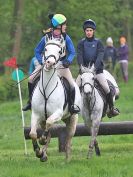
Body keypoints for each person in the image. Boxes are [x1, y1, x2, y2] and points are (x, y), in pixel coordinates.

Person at [23, 13, 80, 114]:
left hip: (62, 65)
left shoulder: (66, 37)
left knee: (71, 84)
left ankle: (72, 106)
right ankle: (30, 102)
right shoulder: (46, 37)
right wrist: (41, 62)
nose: (66, 26)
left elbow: (72, 52)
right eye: (64, 25)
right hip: (47, 64)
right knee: (31, 79)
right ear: (58, 26)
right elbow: (37, 50)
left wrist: (68, 61)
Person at [77, 19, 119, 118]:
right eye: (87, 30)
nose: (89, 32)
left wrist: (94, 68)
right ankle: (73, 108)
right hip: (84, 72)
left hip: (97, 71)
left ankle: (111, 109)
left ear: (93, 31)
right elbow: (79, 56)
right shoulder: (81, 43)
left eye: (90, 30)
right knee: (75, 87)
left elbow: (100, 56)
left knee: (107, 88)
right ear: (85, 31)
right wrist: (82, 68)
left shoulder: (99, 43)